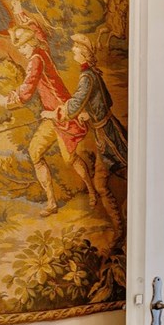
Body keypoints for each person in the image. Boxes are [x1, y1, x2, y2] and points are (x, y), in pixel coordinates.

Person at [2, 17, 80, 216]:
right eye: (20, 47)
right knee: (35, 152)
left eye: (23, 47)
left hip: (62, 114)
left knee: (70, 159)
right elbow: (38, 31)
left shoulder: (36, 59)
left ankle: (92, 191)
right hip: (50, 117)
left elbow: (27, 89)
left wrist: (6, 101)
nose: (22, 51)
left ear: (31, 43)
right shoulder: (42, 48)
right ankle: (51, 202)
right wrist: (20, 13)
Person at [55, 33, 127, 225]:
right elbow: (106, 101)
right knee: (107, 179)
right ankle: (119, 228)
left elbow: (75, 104)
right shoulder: (92, 73)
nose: (73, 50)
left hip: (107, 134)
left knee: (121, 172)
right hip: (106, 129)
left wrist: (58, 112)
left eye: (76, 47)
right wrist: (90, 113)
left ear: (84, 52)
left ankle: (123, 225)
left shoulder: (87, 77)